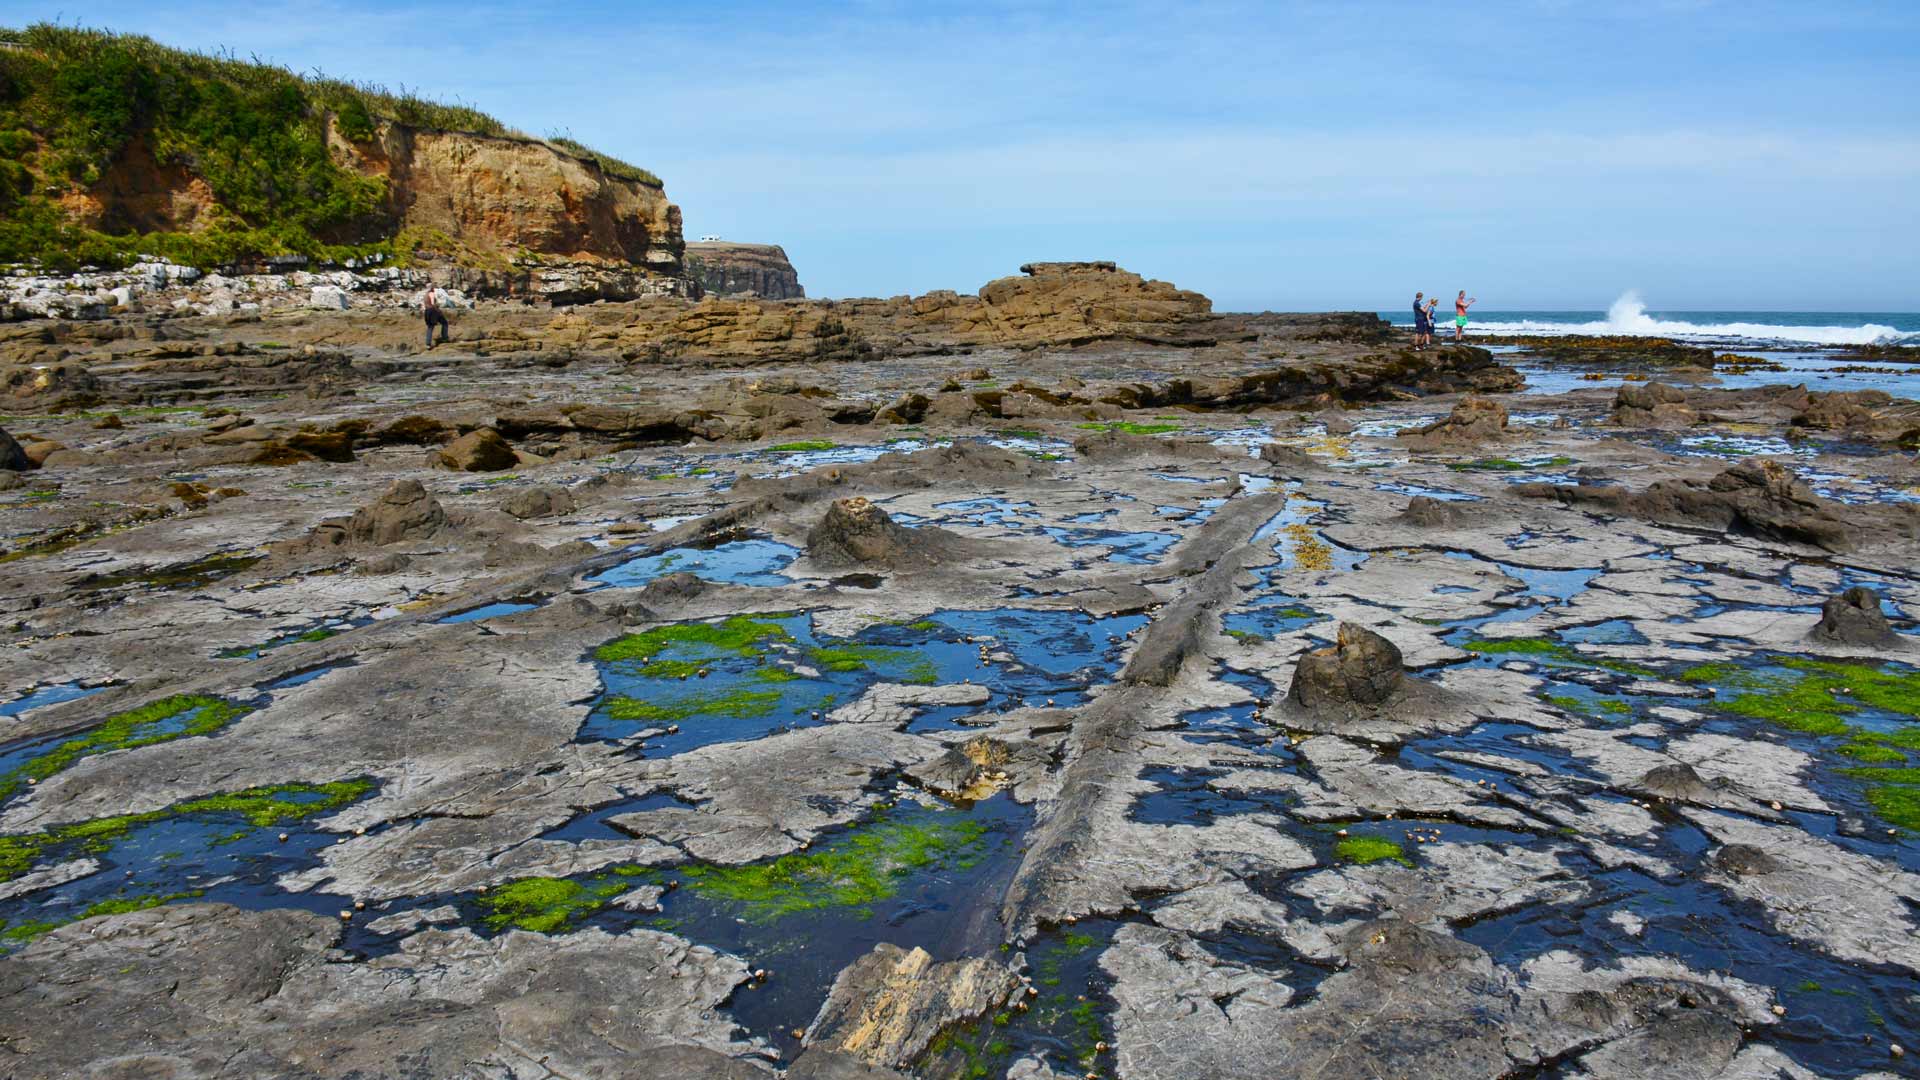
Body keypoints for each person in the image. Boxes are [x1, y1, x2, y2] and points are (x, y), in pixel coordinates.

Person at [422, 284, 450, 349]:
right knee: (444, 322)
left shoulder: (425, 295)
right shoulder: (431, 294)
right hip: (433, 311)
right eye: (432, 287)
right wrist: (438, 310)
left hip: (427, 311)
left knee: (430, 327)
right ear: (430, 288)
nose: (433, 288)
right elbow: (433, 304)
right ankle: (444, 337)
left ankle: (428, 344)